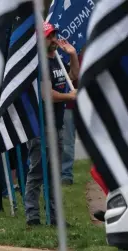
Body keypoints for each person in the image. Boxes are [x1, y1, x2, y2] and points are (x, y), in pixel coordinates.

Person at [24, 22, 79, 226]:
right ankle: (32, 217)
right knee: (37, 173)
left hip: (56, 125)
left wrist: (72, 55)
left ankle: (55, 218)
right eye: (49, 36)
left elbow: (72, 78)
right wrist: (69, 97)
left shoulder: (56, 60)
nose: (54, 39)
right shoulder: (39, 64)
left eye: (54, 34)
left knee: (54, 173)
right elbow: (46, 94)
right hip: (40, 126)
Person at [61, 48, 84, 185]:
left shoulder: (88, 53)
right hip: (68, 105)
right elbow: (72, 76)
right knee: (67, 143)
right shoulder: (64, 55)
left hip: (86, 104)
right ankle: (66, 176)